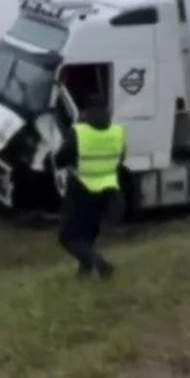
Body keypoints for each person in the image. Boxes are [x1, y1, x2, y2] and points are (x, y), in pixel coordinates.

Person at [55, 94, 126, 279]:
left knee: (67, 237)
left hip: (82, 188)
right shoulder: (117, 131)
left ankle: (102, 265)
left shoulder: (79, 132)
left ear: (85, 111)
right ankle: (84, 272)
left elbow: (61, 158)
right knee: (87, 235)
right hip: (107, 190)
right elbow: (121, 159)